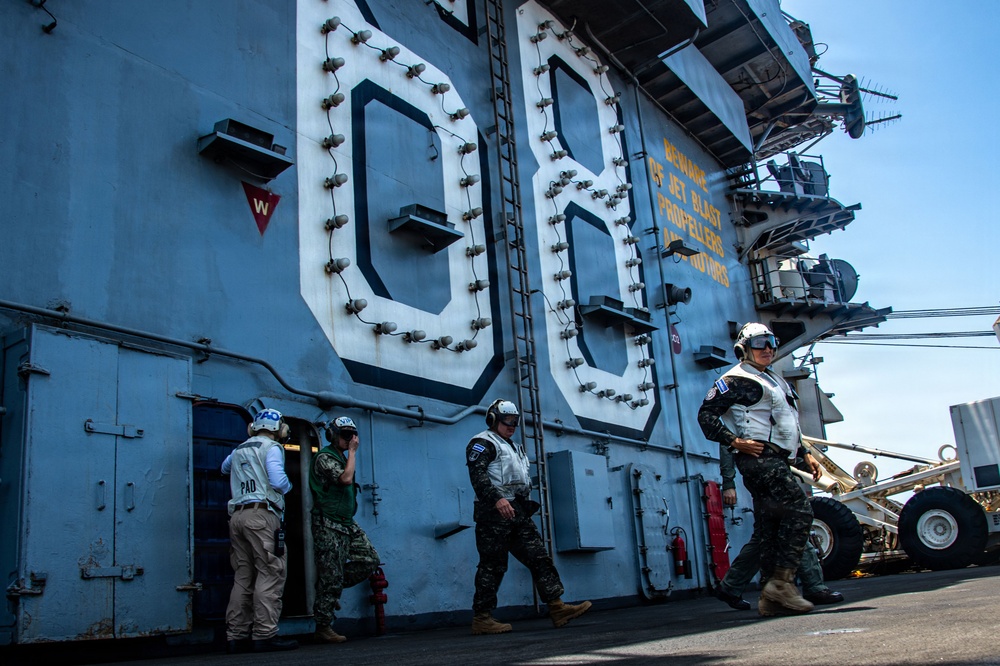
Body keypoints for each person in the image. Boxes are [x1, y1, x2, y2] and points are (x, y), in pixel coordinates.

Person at [697, 323, 822, 616]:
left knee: (769, 530)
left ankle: (770, 598)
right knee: (800, 510)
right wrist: (735, 441)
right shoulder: (737, 380)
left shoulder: (773, 381)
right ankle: (782, 584)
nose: (767, 348)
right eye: (759, 343)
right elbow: (706, 415)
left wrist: (806, 454)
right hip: (760, 459)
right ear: (743, 348)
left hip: (779, 458)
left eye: (770, 342)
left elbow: (786, 423)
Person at [466, 399, 592, 634]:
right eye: (507, 421)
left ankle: (557, 607)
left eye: (515, 421)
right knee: (492, 566)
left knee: (539, 557)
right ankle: (482, 618)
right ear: (493, 420)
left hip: (517, 511)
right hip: (493, 513)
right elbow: (478, 475)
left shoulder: (514, 446)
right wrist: (497, 499)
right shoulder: (482, 442)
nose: (512, 426)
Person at [714, 445, 844, 613]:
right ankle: (814, 587)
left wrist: (804, 457)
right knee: (794, 524)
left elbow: (784, 438)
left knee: (767, 535)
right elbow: (728, 444)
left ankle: (730, 587)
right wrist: (728, 483)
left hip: (773, 471)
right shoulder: (744, 419)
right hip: (764, 474)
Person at [221, 408, 299, 653]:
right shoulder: (272, 447)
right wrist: (288, 486)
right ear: (279, 428)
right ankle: (264, 634)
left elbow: (224, 468)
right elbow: (277, 481)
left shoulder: (240, 448)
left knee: (243, 576)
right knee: (270, 571)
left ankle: (236, 636)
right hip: (262, 515)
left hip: (237, 516)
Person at [309, 416, 381, 644]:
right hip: (328, 523)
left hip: (346, 522)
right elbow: (346, 479)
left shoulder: (341, 456)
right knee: (330, 575)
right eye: (343, 434)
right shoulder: (324, 457)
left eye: (351, 434)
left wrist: (348, 453)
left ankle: (329, 589)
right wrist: (353, 453)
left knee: (370, 560)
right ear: (332, 434)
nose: (348, 439)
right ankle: (323, 626)